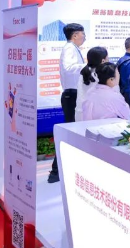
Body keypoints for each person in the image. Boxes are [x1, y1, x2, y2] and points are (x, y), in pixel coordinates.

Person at [49, 23, 86, 183]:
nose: (84, 37)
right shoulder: (70, 48)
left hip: (73, 94)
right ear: (75, 35)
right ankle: (56, 172)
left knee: (73, 131)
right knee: (70, 132)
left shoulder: (73, 48)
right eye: (83, 34)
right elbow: (69, 68)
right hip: (72, 95)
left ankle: (62, 170)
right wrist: (89, 65)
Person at [75, 47, 109, 122]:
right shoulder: (101, 74)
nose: (108, 60)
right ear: (103, 60)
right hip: (95, 115)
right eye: (107, 57)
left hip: (80, 112)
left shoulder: (84, 71)